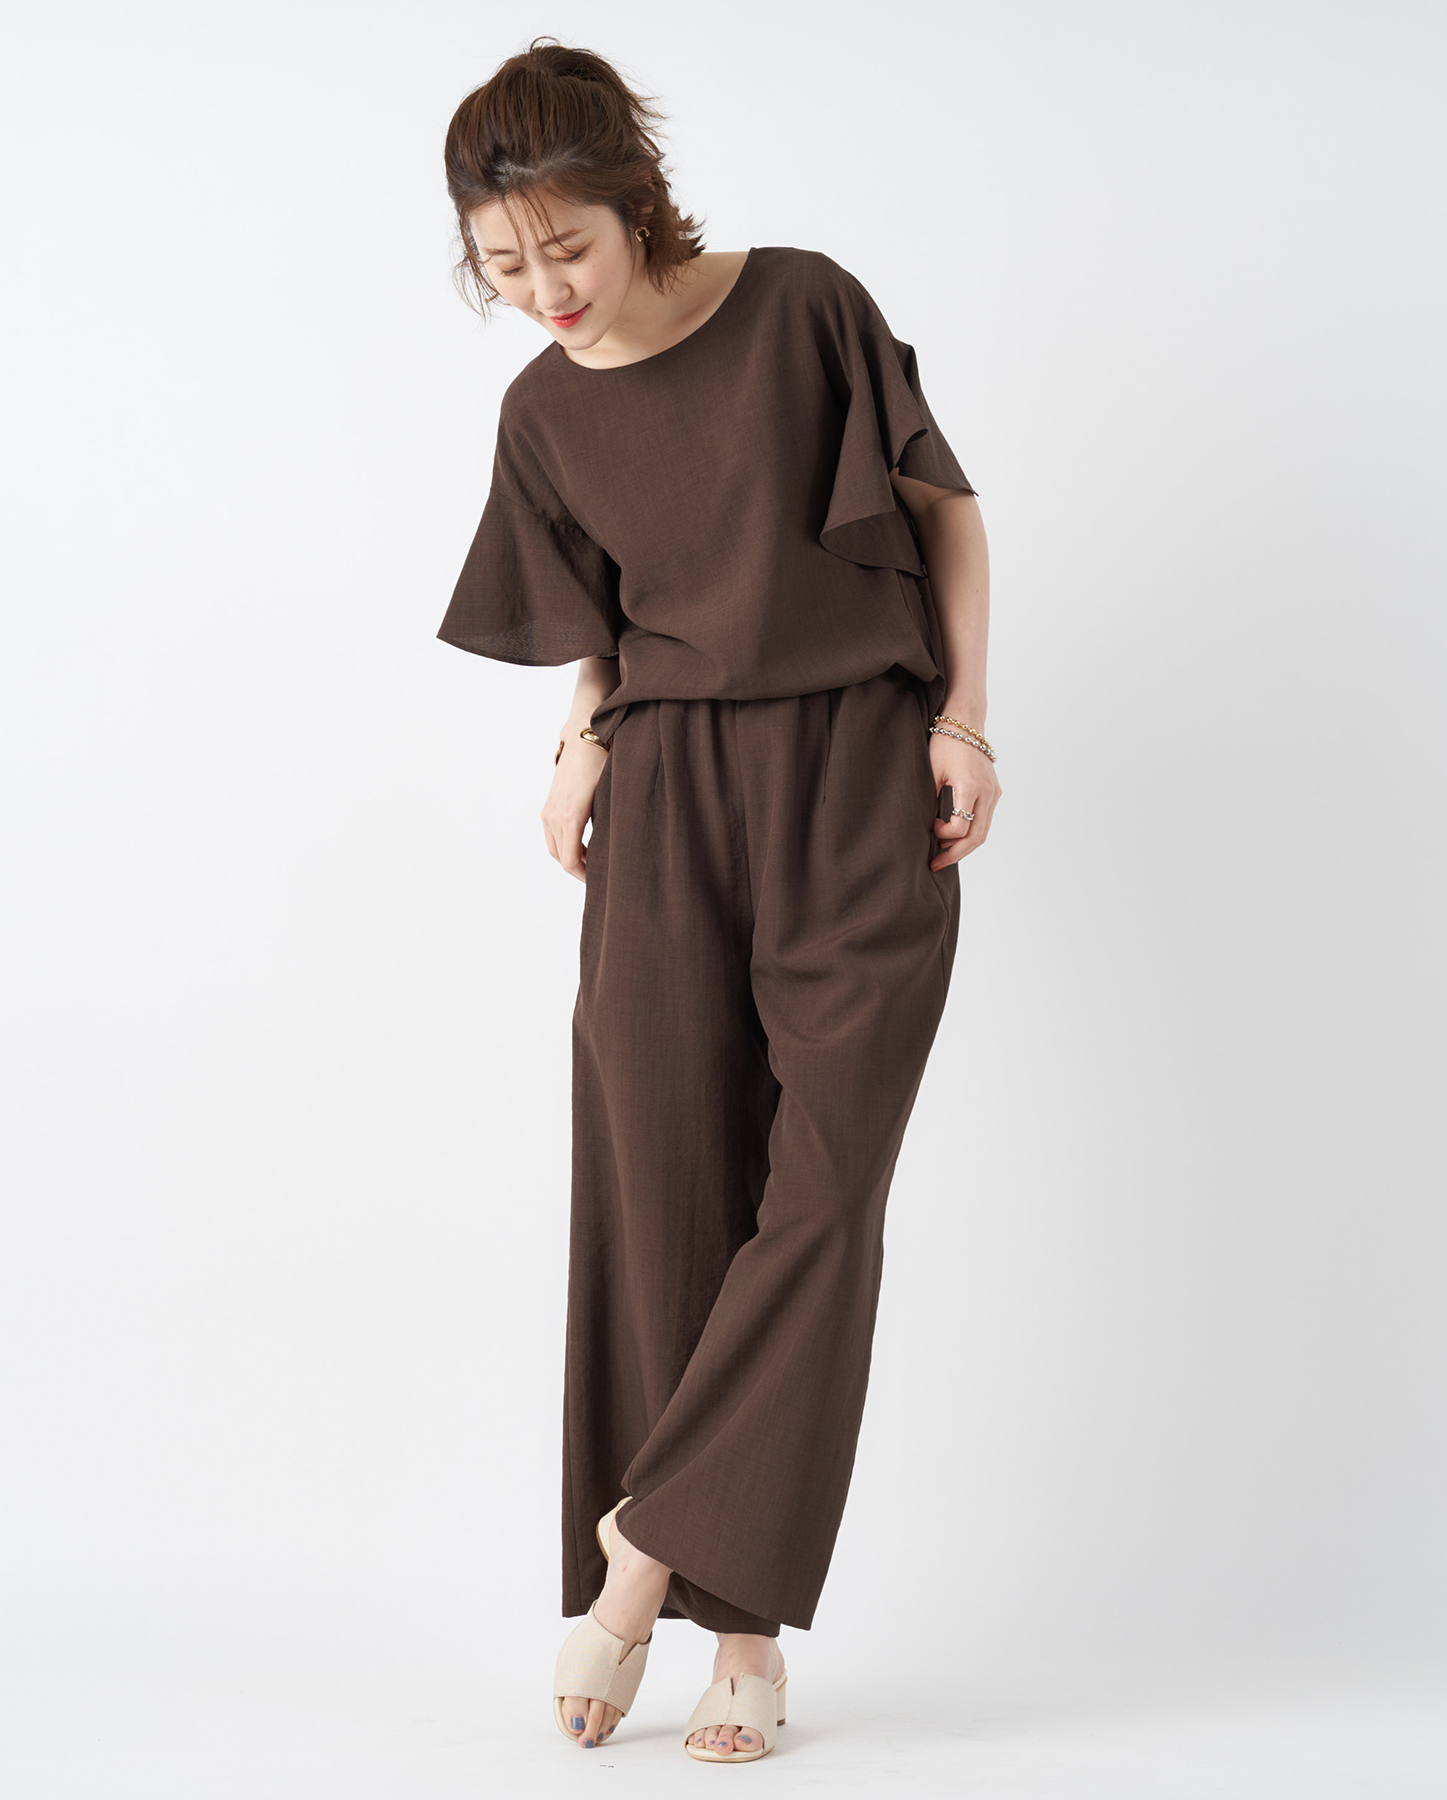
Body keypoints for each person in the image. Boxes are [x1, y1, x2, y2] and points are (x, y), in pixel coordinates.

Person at [438, 39, 999, 1765]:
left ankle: (642, 1557)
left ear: (637, 202)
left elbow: (947, 517)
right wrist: (579, 743)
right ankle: (738, 1636)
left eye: (567, 249)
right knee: (668, 1192)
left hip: (859, 773)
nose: (544, 292)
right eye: (503, 265)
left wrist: (966, 719)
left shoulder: (806, 307)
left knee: (822, 1190)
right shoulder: (542, 415)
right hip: (669, 793)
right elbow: (604, 626)